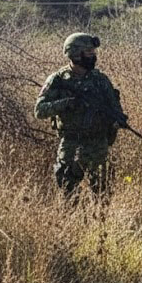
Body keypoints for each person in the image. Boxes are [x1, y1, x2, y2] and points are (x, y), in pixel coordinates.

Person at [35, 33, 125, 197]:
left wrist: (116, 121)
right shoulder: (58, 80)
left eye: (93, 52)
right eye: (89, 52)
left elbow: (115, 108)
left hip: (98, 144)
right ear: (75, 54)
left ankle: (100, 222)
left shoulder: (100, 80)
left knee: (103, 195)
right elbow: (39, 110)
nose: (94, 56)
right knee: (67, 192)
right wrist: (66, 103)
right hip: (71, 145)